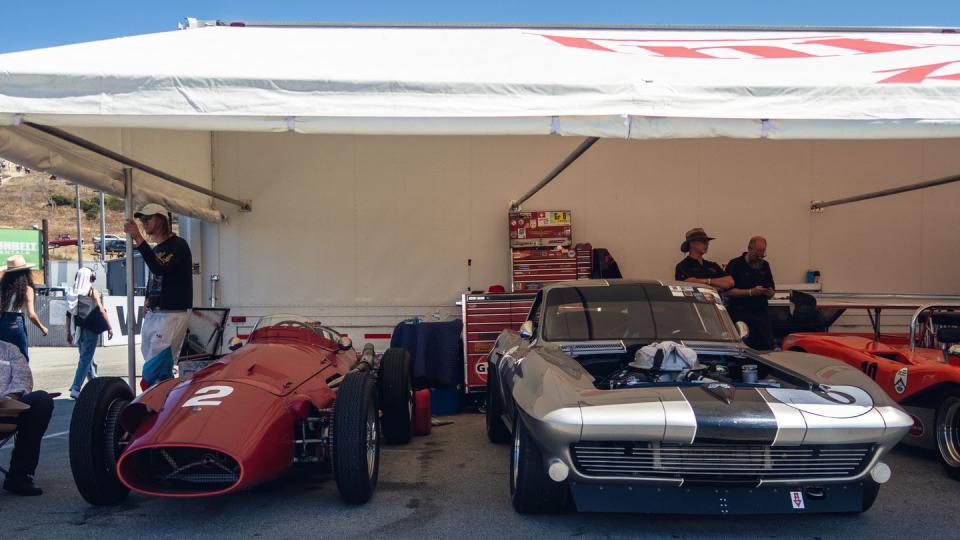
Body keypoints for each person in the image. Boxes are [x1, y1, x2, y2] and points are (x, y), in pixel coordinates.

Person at [124, 203, 193, 387]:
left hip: (172, 313)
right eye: (142, 219)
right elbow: (155, 276)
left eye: (148, 218)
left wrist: (137, 237)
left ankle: (154, 403)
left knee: (154, 369)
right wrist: (148, 300)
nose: (144, 223)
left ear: (161, 219)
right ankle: (165, 403)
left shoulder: (178, 245)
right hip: (156, 312)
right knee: (153, 363)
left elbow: (159, 268)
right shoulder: (157, 249)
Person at [0, 340, 54, 496]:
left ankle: (19, 476)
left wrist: (11, 398)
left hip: (7, 410)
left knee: (41, 400)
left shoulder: (10, 349)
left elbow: (23, 378)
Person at [65, 268, 113, 399]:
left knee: (87, 358)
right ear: (89, 278)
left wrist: (68, 333)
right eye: (92, 278)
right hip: (91, 329)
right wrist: (109, 326)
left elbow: (68, 315)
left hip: (78, 329)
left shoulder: (72, 293)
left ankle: (94, 383)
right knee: (86, 359)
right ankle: (76, 388)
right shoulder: (92, 291)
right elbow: (101, 310)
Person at [726, 236, 776, 350]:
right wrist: (750, 292)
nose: (760, 255)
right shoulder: (735, 265)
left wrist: (769, 292)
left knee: (767, 350)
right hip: (741, 315)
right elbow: (727, 292)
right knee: (744, 349)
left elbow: (772, 291)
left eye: (762, 252)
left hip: (762, 317)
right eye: (757, 251)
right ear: (749, 248)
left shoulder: (765, 265)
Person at [0, 255, 49, 362]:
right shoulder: (26, 289)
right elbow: (31, 314)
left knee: (4, 360)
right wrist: (42, 327)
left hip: (2, 322)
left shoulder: (3, 287)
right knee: (21, 359)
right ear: (25, 272)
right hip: (16, 323)